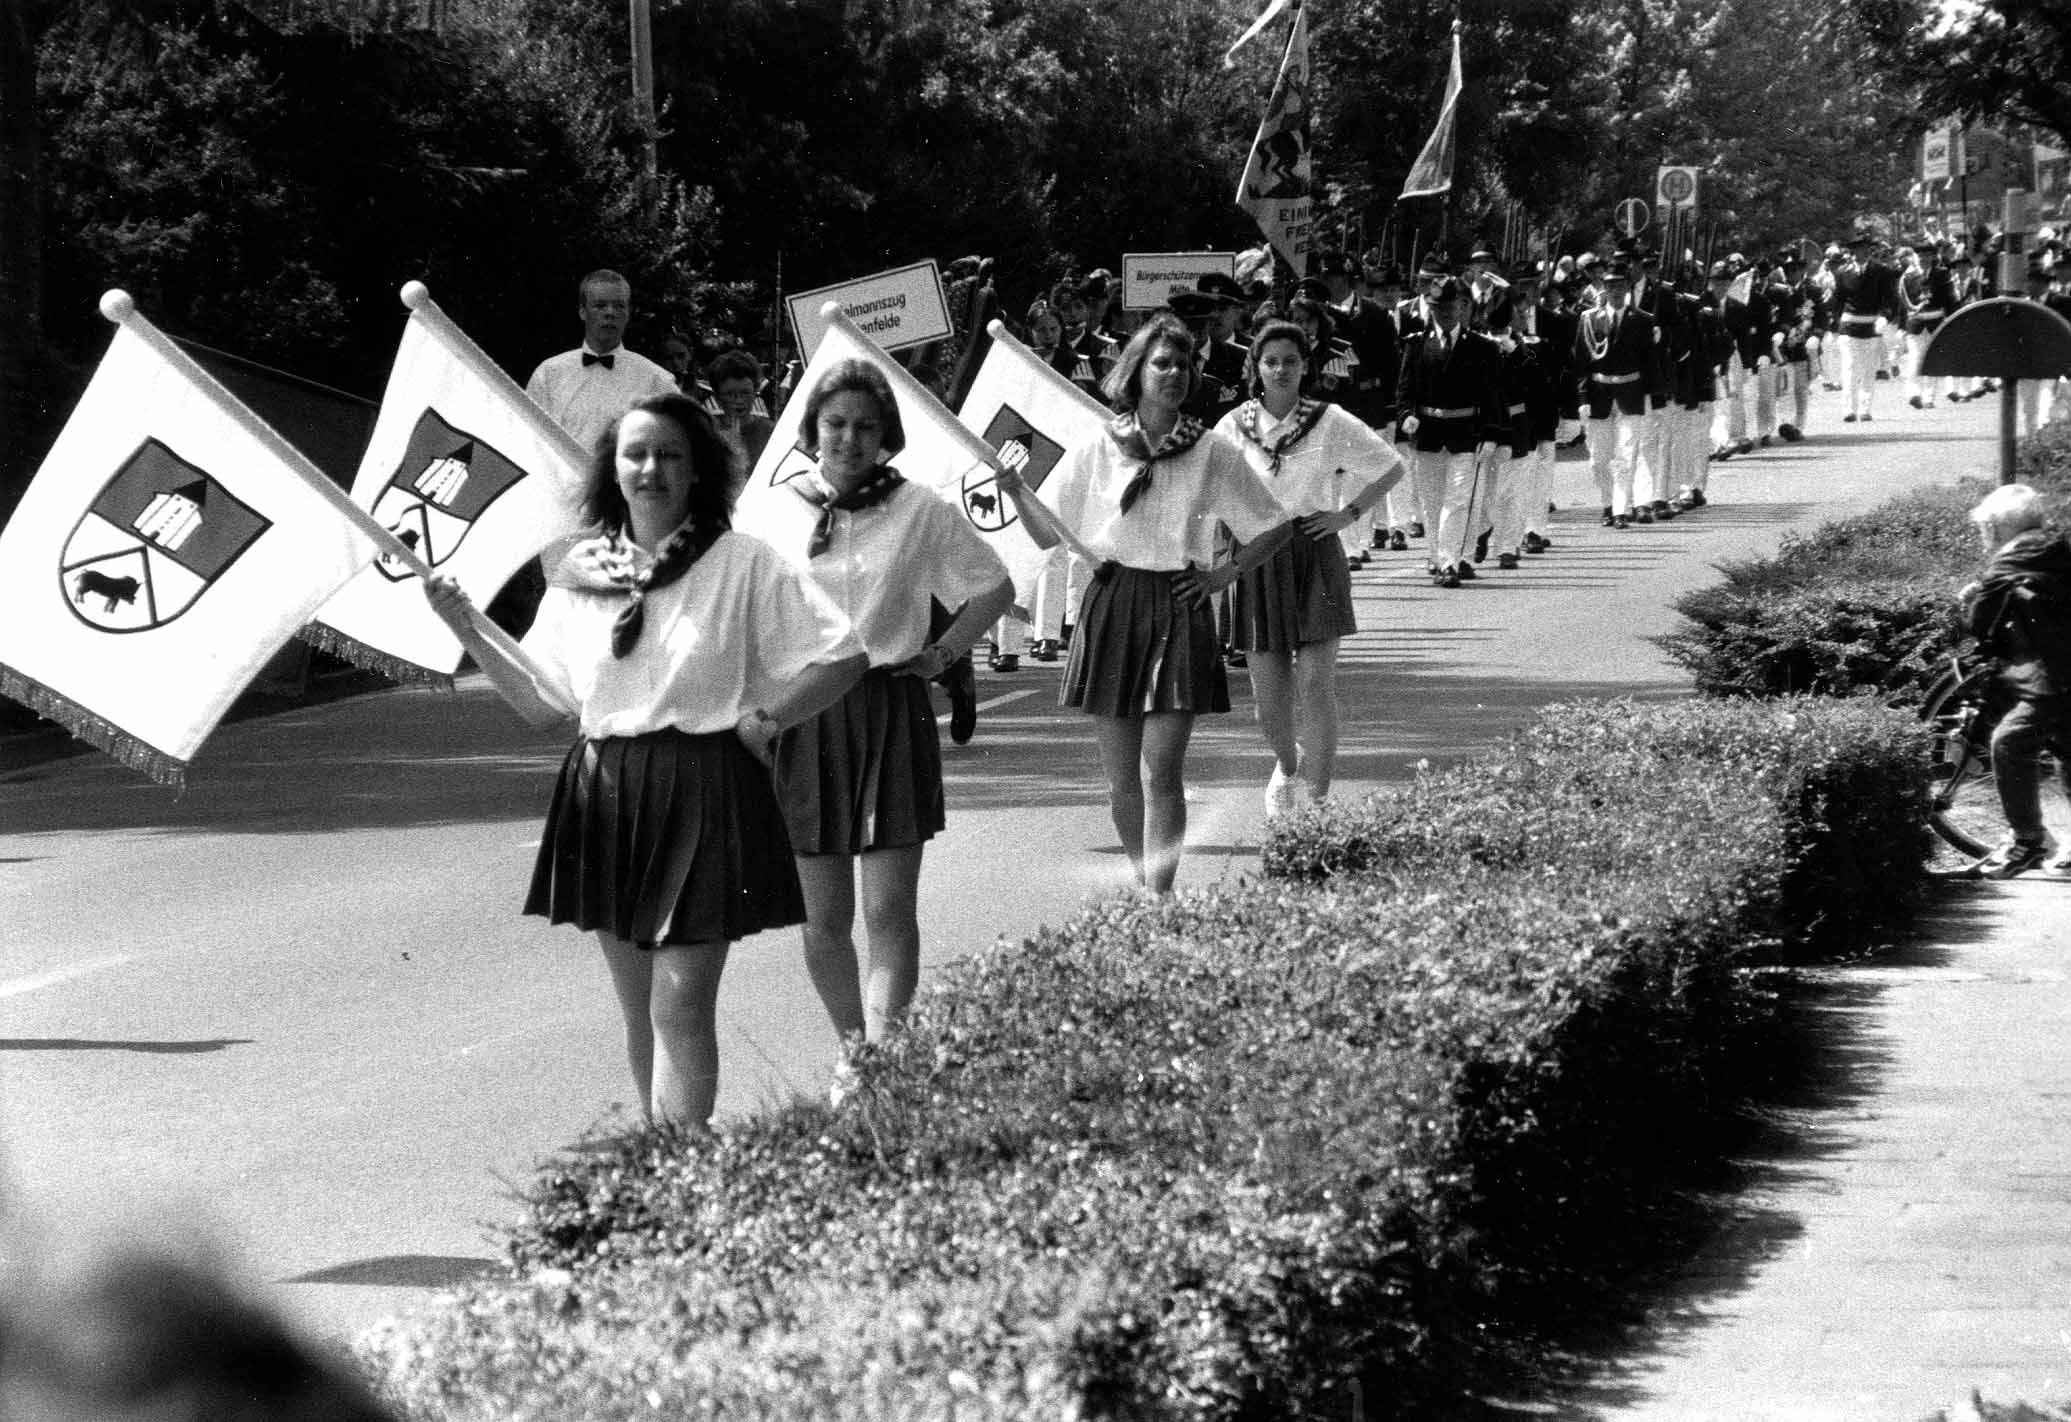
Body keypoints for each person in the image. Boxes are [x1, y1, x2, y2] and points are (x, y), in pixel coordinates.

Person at [423, 394, 868, 1127]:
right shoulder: (580, 574)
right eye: (635, 454)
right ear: (612, 470)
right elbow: (542, 707)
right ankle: (665, 1170)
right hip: (607, 793)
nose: (651, 469)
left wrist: (768, 717)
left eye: (669, 455)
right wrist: (465, 626)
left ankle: (684, 1158)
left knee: (681, 1000)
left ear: (697, 471)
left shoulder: (741, 562)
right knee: (640, 1009)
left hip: (706, 787)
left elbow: (843, 654)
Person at [733, 360, 1012, 1044]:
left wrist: (942, 655)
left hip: (889, 710)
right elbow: (736, 614)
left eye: (866, 426)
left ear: (887, 433)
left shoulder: (919, 508)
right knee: (821, 915)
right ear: (810, 431)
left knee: (889, 909)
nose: (850, 440)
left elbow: (994, 586)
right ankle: (854, 1050)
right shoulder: (770, 510)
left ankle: (887, 1047)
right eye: (835, 425)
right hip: (802, 715)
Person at [995, 311, 1294, 893]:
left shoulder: (1212, 451)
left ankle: (1160, 897)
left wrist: (1221, 576)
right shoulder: (1098, 447)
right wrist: (1014, 491)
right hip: (1111, 602)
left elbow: (1273, 526)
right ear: (1135, 373)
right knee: (1120, 782)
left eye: (1184, 364)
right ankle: (1144, 881)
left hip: (1179, 604)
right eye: (1162, 363)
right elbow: (1044, 533)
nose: (1175, 374)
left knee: (1164, 773)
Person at [1215, 320, 1404, 812]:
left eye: (1291, 361)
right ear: (1255, 366)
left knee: (1316, 684)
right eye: (1271, 361)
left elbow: (1391, 465)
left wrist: (1349, 513)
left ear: (1305, 367)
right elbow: (1210, 490)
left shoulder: (1330, 420)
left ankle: (1317, 803)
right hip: (1257, 556)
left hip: (1312, 552)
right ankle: (1287, 765)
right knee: (1268, 698)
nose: (1281, 370)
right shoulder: (1232, 426)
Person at [1958, 483, 2071, 878]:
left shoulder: (2006, 565)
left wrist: (1974, 596)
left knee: (2008, 743)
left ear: (1998, 529)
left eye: (1986, 530)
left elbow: (1979, 625)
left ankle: (2027, 841)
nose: (1985, 538)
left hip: (2049, 679)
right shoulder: (2057, 549)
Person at [1395, 274, 1507, 583]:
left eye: (1448, 307)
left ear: (1461, 307)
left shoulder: (1482, 347)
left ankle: (1448, 563)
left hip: (1466, 433)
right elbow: (1405, 392)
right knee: (1431, 504)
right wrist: (1406, 416)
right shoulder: (1416, 345)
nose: (1442, 313)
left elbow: (1492, 395)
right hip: (1429, 433)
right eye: (1436, 307)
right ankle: (1438, 555)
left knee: (1458, 501)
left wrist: (1491, 434)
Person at [524, 269, 680, 453]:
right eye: (600, 305)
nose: (610, 313)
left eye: (619, 306)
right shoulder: (548, 374)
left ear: (628, 313)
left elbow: (680, 442)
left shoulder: (657, 380)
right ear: (583, 311)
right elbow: (527, 437)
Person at [1574, 259, 1661, 530]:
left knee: (1625, 455)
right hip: (1599, 392)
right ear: (1604, 287)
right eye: (1610, 285)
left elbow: (1651, 362)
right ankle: (1608, 504)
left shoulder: (1643, 320)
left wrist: (1653, 396)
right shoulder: (1590, 320)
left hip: (1630, 392)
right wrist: (1582, 399)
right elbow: (1580, 363)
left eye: (1620, 285)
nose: (1615, 290)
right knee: (1598, 459)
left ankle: (1621, 510)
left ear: (1628, 288)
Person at [705, 348, 775, 499]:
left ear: (755, 392)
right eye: (729, 394)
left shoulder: (771, 432)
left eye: (745, 393)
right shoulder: (706, 434)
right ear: (717, 397)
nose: (738, 401)